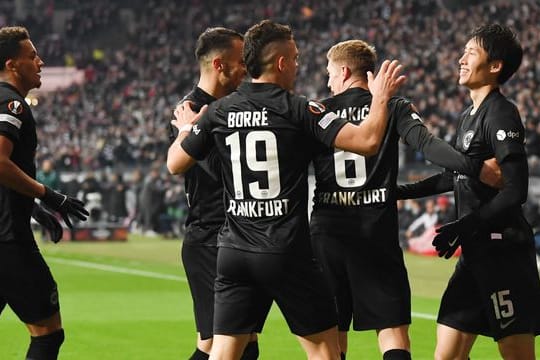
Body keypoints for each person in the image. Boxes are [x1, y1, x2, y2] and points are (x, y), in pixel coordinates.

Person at [169, 19, 406, 360]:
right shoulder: (299, 109)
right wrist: (381, 98)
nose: (298, 64)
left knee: (223, 354)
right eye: (294, 57)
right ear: (281, 63)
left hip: (233, 254)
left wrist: (186, 129)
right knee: (325, 351)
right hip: (285, 250)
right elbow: (368, 141)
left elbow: (175, 164)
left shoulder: (218, 112)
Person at [309, 39, 501, 360]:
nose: (328, 81)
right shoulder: (394, 106)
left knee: (331, 341)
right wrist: (476, 168)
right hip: (375, 234)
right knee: (393, 333)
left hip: (327, 236)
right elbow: (428, 146)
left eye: (330, 73)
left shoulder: (317, 111)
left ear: (343, 71)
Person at [398, 24, 540, 359]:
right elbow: (454, 178)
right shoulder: (468, 116)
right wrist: (395, 192)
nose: (461, 59)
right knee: (445, 354)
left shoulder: (502, 114)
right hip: (474, 255)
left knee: (516, 353)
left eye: (471, 53)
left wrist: (465, 225)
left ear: (495, 66)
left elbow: (515, 191)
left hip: (503, 254)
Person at [166, 27, 259, 360]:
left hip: (236, 238)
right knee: (219, 346)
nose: (246, 69)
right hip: (209, 240)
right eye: (240, 62)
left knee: (243, 345)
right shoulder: (191, 112)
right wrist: (190, 130)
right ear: (219, 64)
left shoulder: (234, 105)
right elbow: (203, 168)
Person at [0, 26, 89, 360]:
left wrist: (32, 207)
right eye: (32, 56)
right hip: (9, 240)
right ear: (12, 65)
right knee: (48, 334)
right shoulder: (11, 103)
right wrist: (49, 195)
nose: (40, 61)